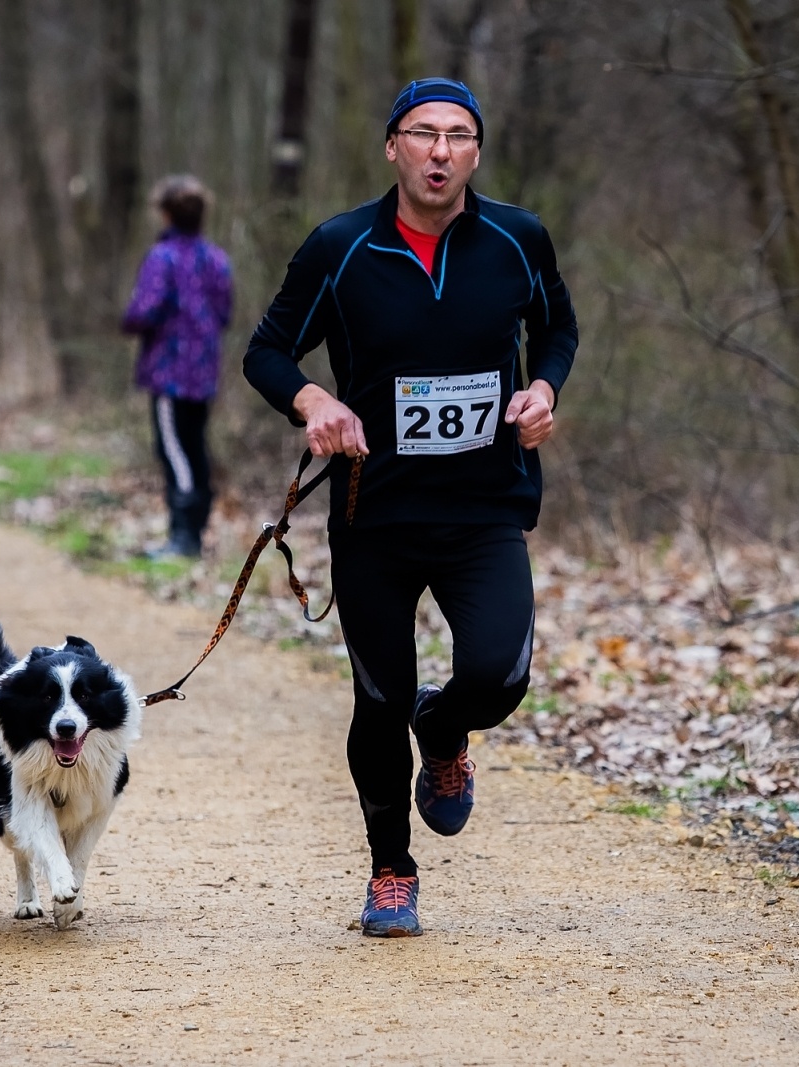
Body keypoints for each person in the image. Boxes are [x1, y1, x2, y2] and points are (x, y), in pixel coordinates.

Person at [243, 79, 578, 937]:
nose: (440, 151)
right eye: (423, 134)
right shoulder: (341, 247)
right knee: (378, 700)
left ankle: (448, 722)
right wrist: (314, 403)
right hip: (375, 514)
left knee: (500, 678)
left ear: (475, 152)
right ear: (392, 146)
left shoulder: (516, 240)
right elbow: (268, 351)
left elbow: (559, 330)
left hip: (484, 510)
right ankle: (391, 868)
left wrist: (542, 387)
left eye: (459, 136)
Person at [120, 175, 234, 559]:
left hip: (169, 374)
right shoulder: (217, 259)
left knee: (174, 451)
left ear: (166, 215)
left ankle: (183, 538)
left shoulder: (162, 258)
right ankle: (195, 533)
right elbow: (224, 313)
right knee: (195, 447)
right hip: (203, 373)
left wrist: (130, 320)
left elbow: (143, 311)